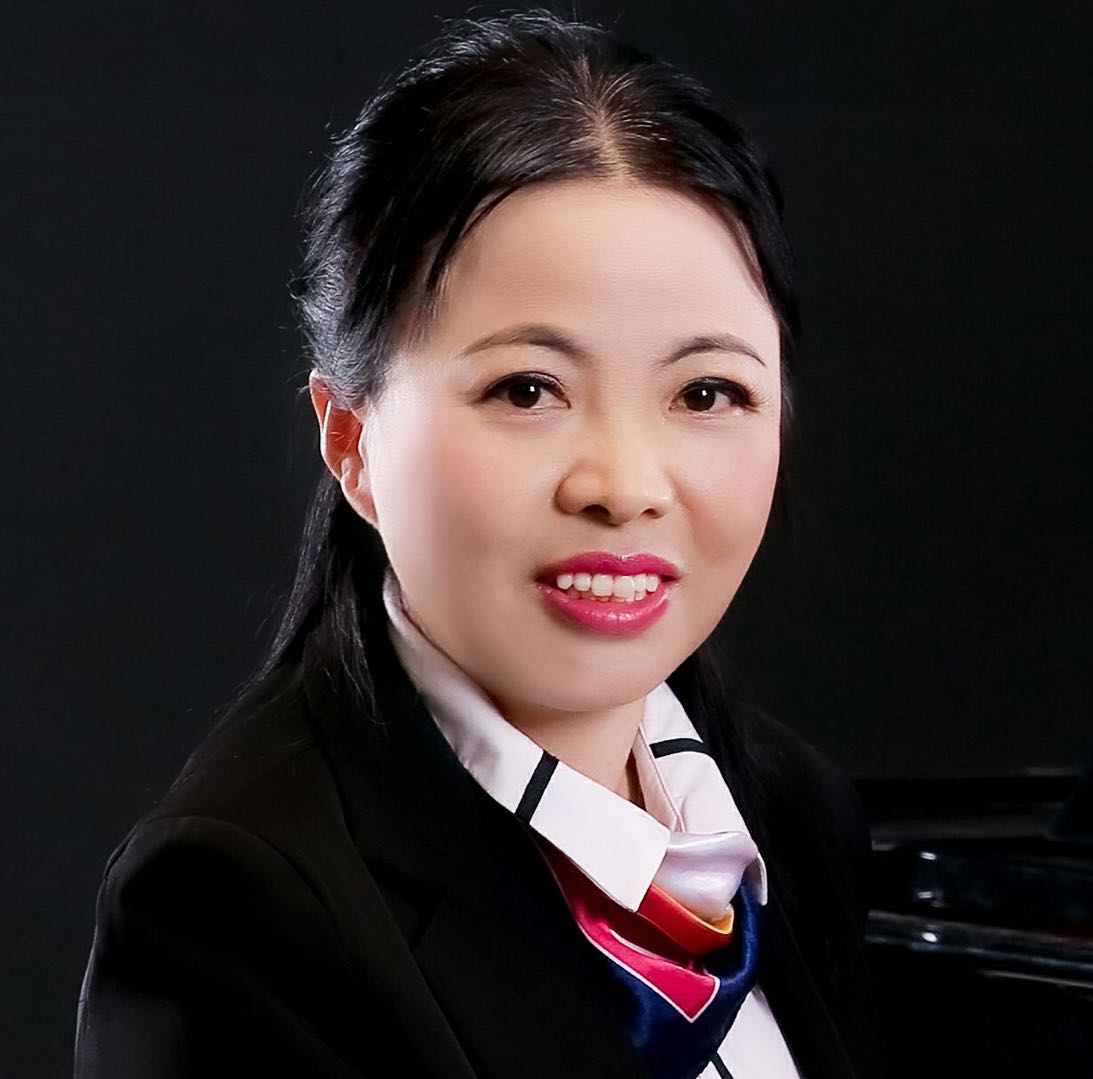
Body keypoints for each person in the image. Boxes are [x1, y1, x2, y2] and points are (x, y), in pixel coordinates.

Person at [74, 10, 882, 1078]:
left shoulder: (794, 816)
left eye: (705, 392)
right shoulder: (235, 905)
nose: (623, 487)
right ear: (351, 439)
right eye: (528, 389)